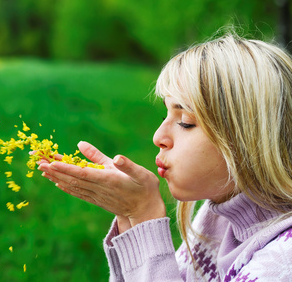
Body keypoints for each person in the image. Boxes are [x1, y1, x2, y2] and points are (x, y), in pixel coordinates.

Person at [37, 33, 292, 281]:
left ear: (250, 140)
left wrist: (144, 216)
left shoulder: (283, 263)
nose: (158, 136)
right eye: (165, 116)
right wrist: (129, 216)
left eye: (185, 122)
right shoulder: (219, 216)